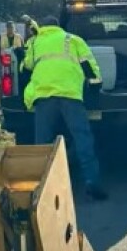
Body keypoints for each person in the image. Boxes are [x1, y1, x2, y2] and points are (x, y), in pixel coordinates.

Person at [21, 15, 108, 201]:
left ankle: (41, 189)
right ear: (59, 27)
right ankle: (92, 182)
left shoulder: (36, 42)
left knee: (43, 145)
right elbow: (90, 68)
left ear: (44, 28)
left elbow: (27, 65)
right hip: (70, 96)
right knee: (82, 138)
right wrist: (94, 88)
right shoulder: (73, 40)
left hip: (44, 96)